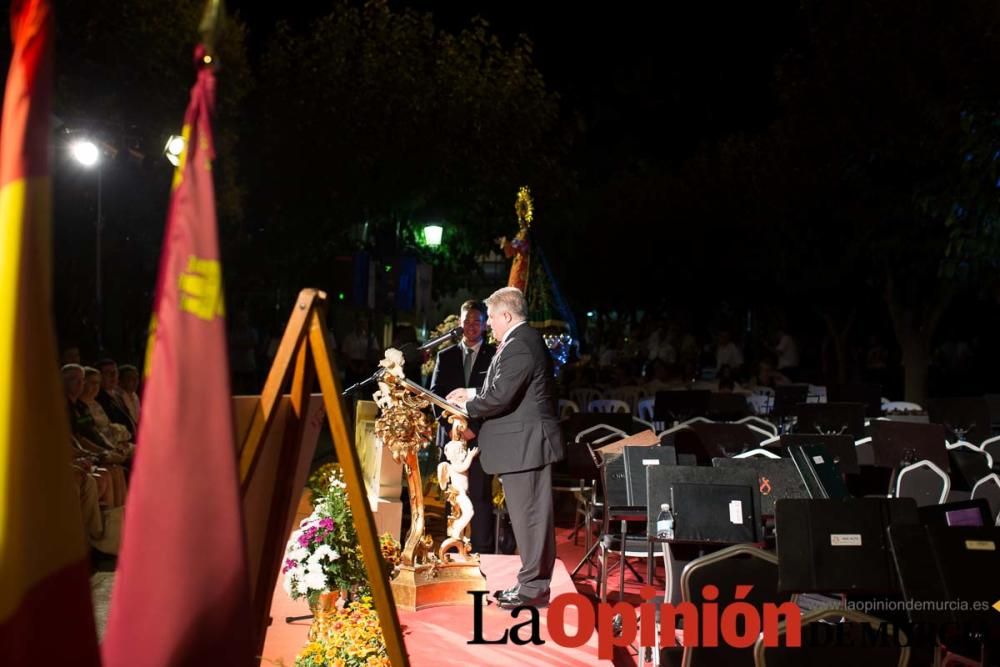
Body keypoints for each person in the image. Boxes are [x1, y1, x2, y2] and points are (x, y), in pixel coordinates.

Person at [446, 287, 565, 609]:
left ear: (507, 315)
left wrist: (470, 403)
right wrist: (470, 392)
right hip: (522, 445)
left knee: (531, 519)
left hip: (527, 445)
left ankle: (533, 589)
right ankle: (531, 585)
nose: (489, 325)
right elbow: (502, 388)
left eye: (493, 318)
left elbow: (499, 397)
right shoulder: (517, 342)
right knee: (528, 518)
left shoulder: (520, 344)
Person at [429, 300, 496, 553]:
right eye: (467, 321)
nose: (471, 327)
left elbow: (495, 396)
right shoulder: (445, 356)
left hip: (480, 438)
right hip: (450, 439)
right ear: (460, 322)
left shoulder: (494, 356)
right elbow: (434, 395)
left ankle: (481, 552)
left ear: (484, 325)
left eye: (476, 322)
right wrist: (451, 430)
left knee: (479, 496)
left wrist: (474, 430)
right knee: (453, 497)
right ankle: (453, 549)